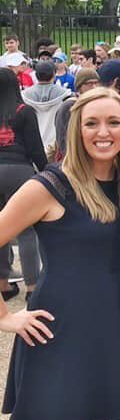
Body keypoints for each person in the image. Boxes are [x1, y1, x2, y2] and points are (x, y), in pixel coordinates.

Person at [0, 87, 120, 420]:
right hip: (60, 327)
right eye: (91, 123)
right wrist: (6, 317)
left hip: (108, 323)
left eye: (114, 122)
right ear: (75, 130)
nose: (103, 132)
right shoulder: (50, 185)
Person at [0, 69, 45, 302]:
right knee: (27, 230)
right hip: (19, 170)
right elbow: (36, 148)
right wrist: (47, 171)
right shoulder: (24, 111)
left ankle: (3, 285)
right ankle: (32, 285)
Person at [21, 60, 71, 154]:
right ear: (54, 74)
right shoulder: (66, 95)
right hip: (56, 144)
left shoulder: (24, 96)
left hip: (33, 143)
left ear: (36, 75)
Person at [52, 68, 100, 161]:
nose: (94, 87)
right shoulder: (69, 106)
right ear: (80, 86)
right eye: (89, 84)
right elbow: (62, 136)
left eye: (96, 83)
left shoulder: (100, 104)